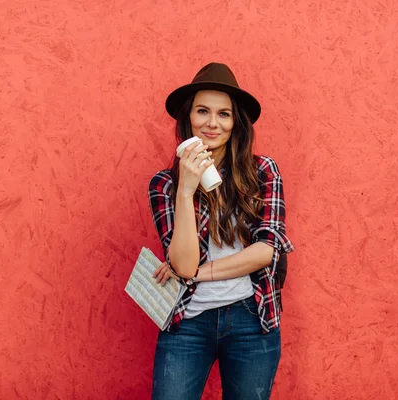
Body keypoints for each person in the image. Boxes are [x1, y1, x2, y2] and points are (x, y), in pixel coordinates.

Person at [148, 62, 295, 400]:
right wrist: (185, 190)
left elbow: (265, 251)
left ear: (235, 123)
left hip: (251, 317)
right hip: (188, 321)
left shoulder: (262, 172)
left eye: (224, 114)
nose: (212, 123)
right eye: (202, 111)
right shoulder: (164, 185)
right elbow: (181, 265)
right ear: (188, 119)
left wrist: (197, 273)